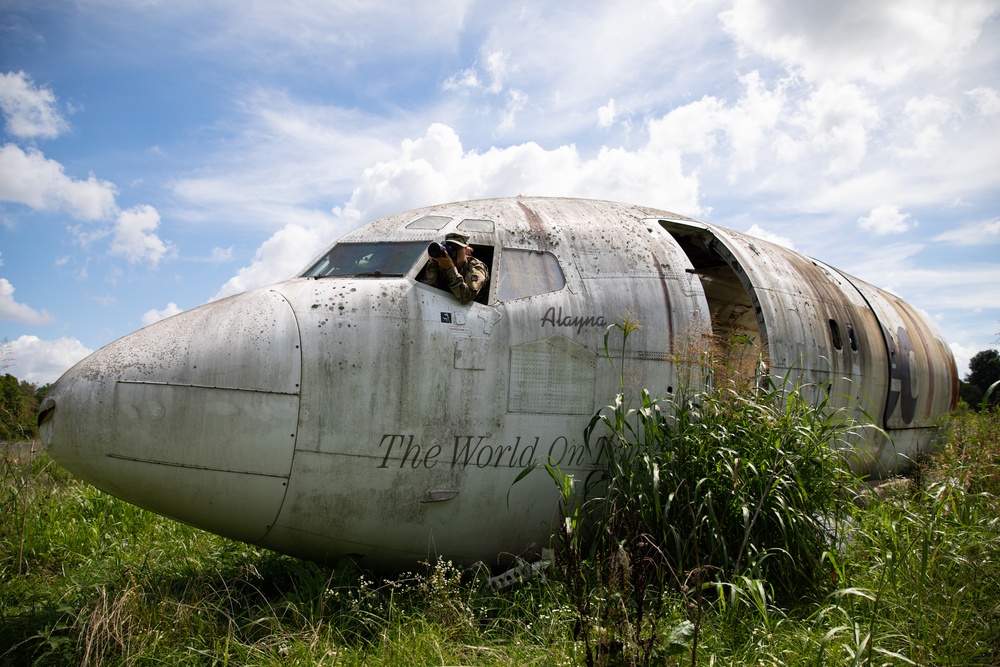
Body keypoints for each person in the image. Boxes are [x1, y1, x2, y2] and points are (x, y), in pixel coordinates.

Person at [419, 232, 489, 304]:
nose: (452, 251)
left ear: (467, 251)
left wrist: (450, 269)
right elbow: (426, 290)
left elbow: (465, 297)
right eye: (449, 247)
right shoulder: (442, 263)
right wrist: (433, 264)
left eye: (457, 247)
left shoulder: (476, 268)